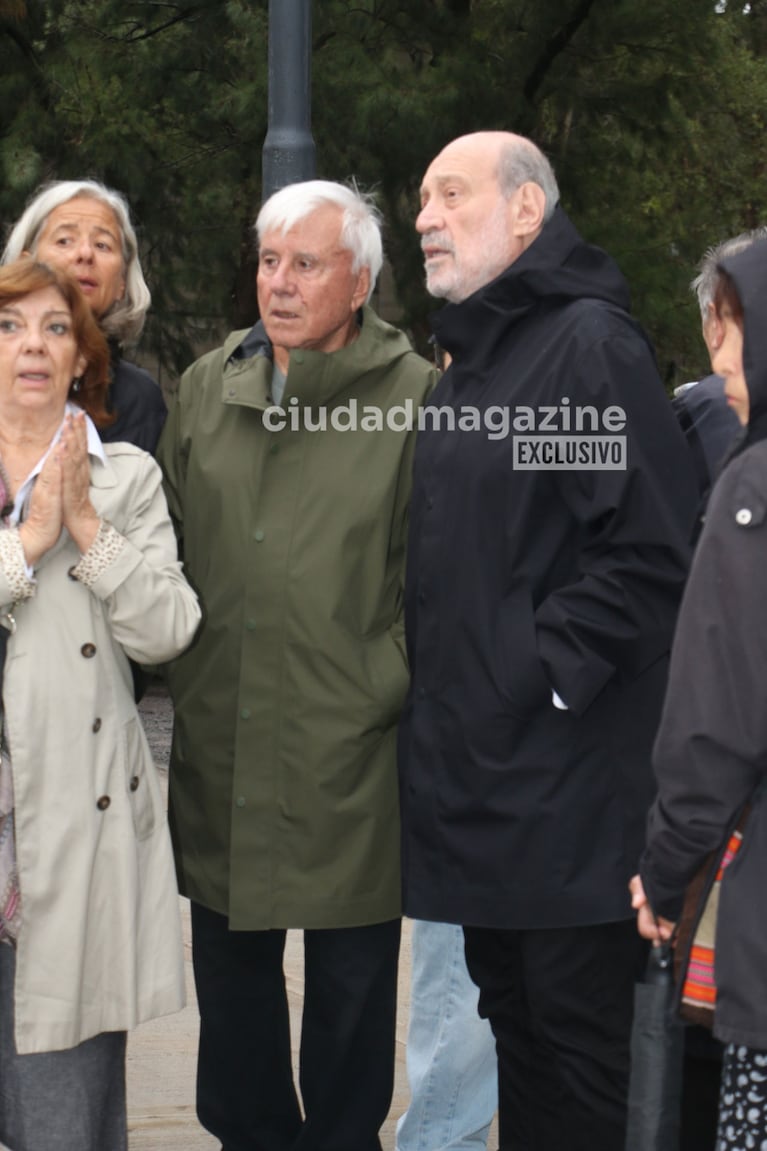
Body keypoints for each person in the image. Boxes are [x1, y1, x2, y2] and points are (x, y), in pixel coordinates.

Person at [398, 131, 699, 1151]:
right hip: (486, 799)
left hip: (566, 805)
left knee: (581, 1071)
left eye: (449, 194)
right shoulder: (480, 360)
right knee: (519, 1042)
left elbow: (645, 545)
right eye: (420, 200)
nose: (423, 217)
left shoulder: (580, 345)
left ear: (525, 211)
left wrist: (537, 672)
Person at [157, 179, 436, 1151]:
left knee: (352, 998)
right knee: (232, 1003)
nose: (278, 282)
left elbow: (437, 577)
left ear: (356, 282)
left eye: (304, 263)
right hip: (224, 746)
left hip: (348, 749)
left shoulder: (415, 398)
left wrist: (387, 677)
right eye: (269, 260)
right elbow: (168, 553)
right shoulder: (203, 388)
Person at [0, 256, 201, 1151]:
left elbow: (167, 631)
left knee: (64, 1107)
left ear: (83, 356)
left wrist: (85, 531)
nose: (29, 347)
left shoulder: (125, 480)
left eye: (53, 327)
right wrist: (26, 544)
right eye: (7, 327)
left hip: (75, 823)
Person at [631, 238, 767, 1151]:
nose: (716, 356)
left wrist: (667, 867)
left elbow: (715, 720)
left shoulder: (752, 486)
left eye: (723, 325)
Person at [2, 179, 167, 454]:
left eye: (102, 245)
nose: (85, 254)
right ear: (24, 264)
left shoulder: (139, 400)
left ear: (121, 283)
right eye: (65, 240)